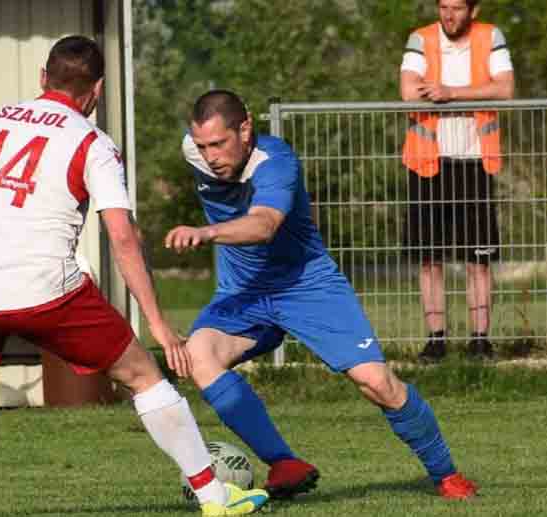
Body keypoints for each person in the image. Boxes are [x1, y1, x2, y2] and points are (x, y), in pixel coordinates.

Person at [0, 37, 269, 517]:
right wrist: (158, 324)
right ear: (97, 90)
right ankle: (214, 499)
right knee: (144, 376)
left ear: (43, 77)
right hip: (47, 291)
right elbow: (123, 237)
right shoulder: (91, 142)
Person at [164, 89, 479, 500]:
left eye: (220, 144)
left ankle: (446, 474)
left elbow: (264, 225)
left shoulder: (276, 162)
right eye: (203, 146)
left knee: (376, 383)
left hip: (306, 286)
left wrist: (206, 232)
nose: (211, 156)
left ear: (245, 129)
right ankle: (284, 463)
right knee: (199, 356)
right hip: (244, 292)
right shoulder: (194, 150)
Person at [400, 0, 515, 361]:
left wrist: (450, 93)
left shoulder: (490, 36)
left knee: (478, 259)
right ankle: (436, 340)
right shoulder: (420, 39)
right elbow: (409, 92)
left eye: (458, 8)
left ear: (473, 10)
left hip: (475, 160)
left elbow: (504, 89)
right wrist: (477, 90)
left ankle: (480, 340)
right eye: (444, 7)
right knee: (429, 258)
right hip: (426, 162)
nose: (449, 15)